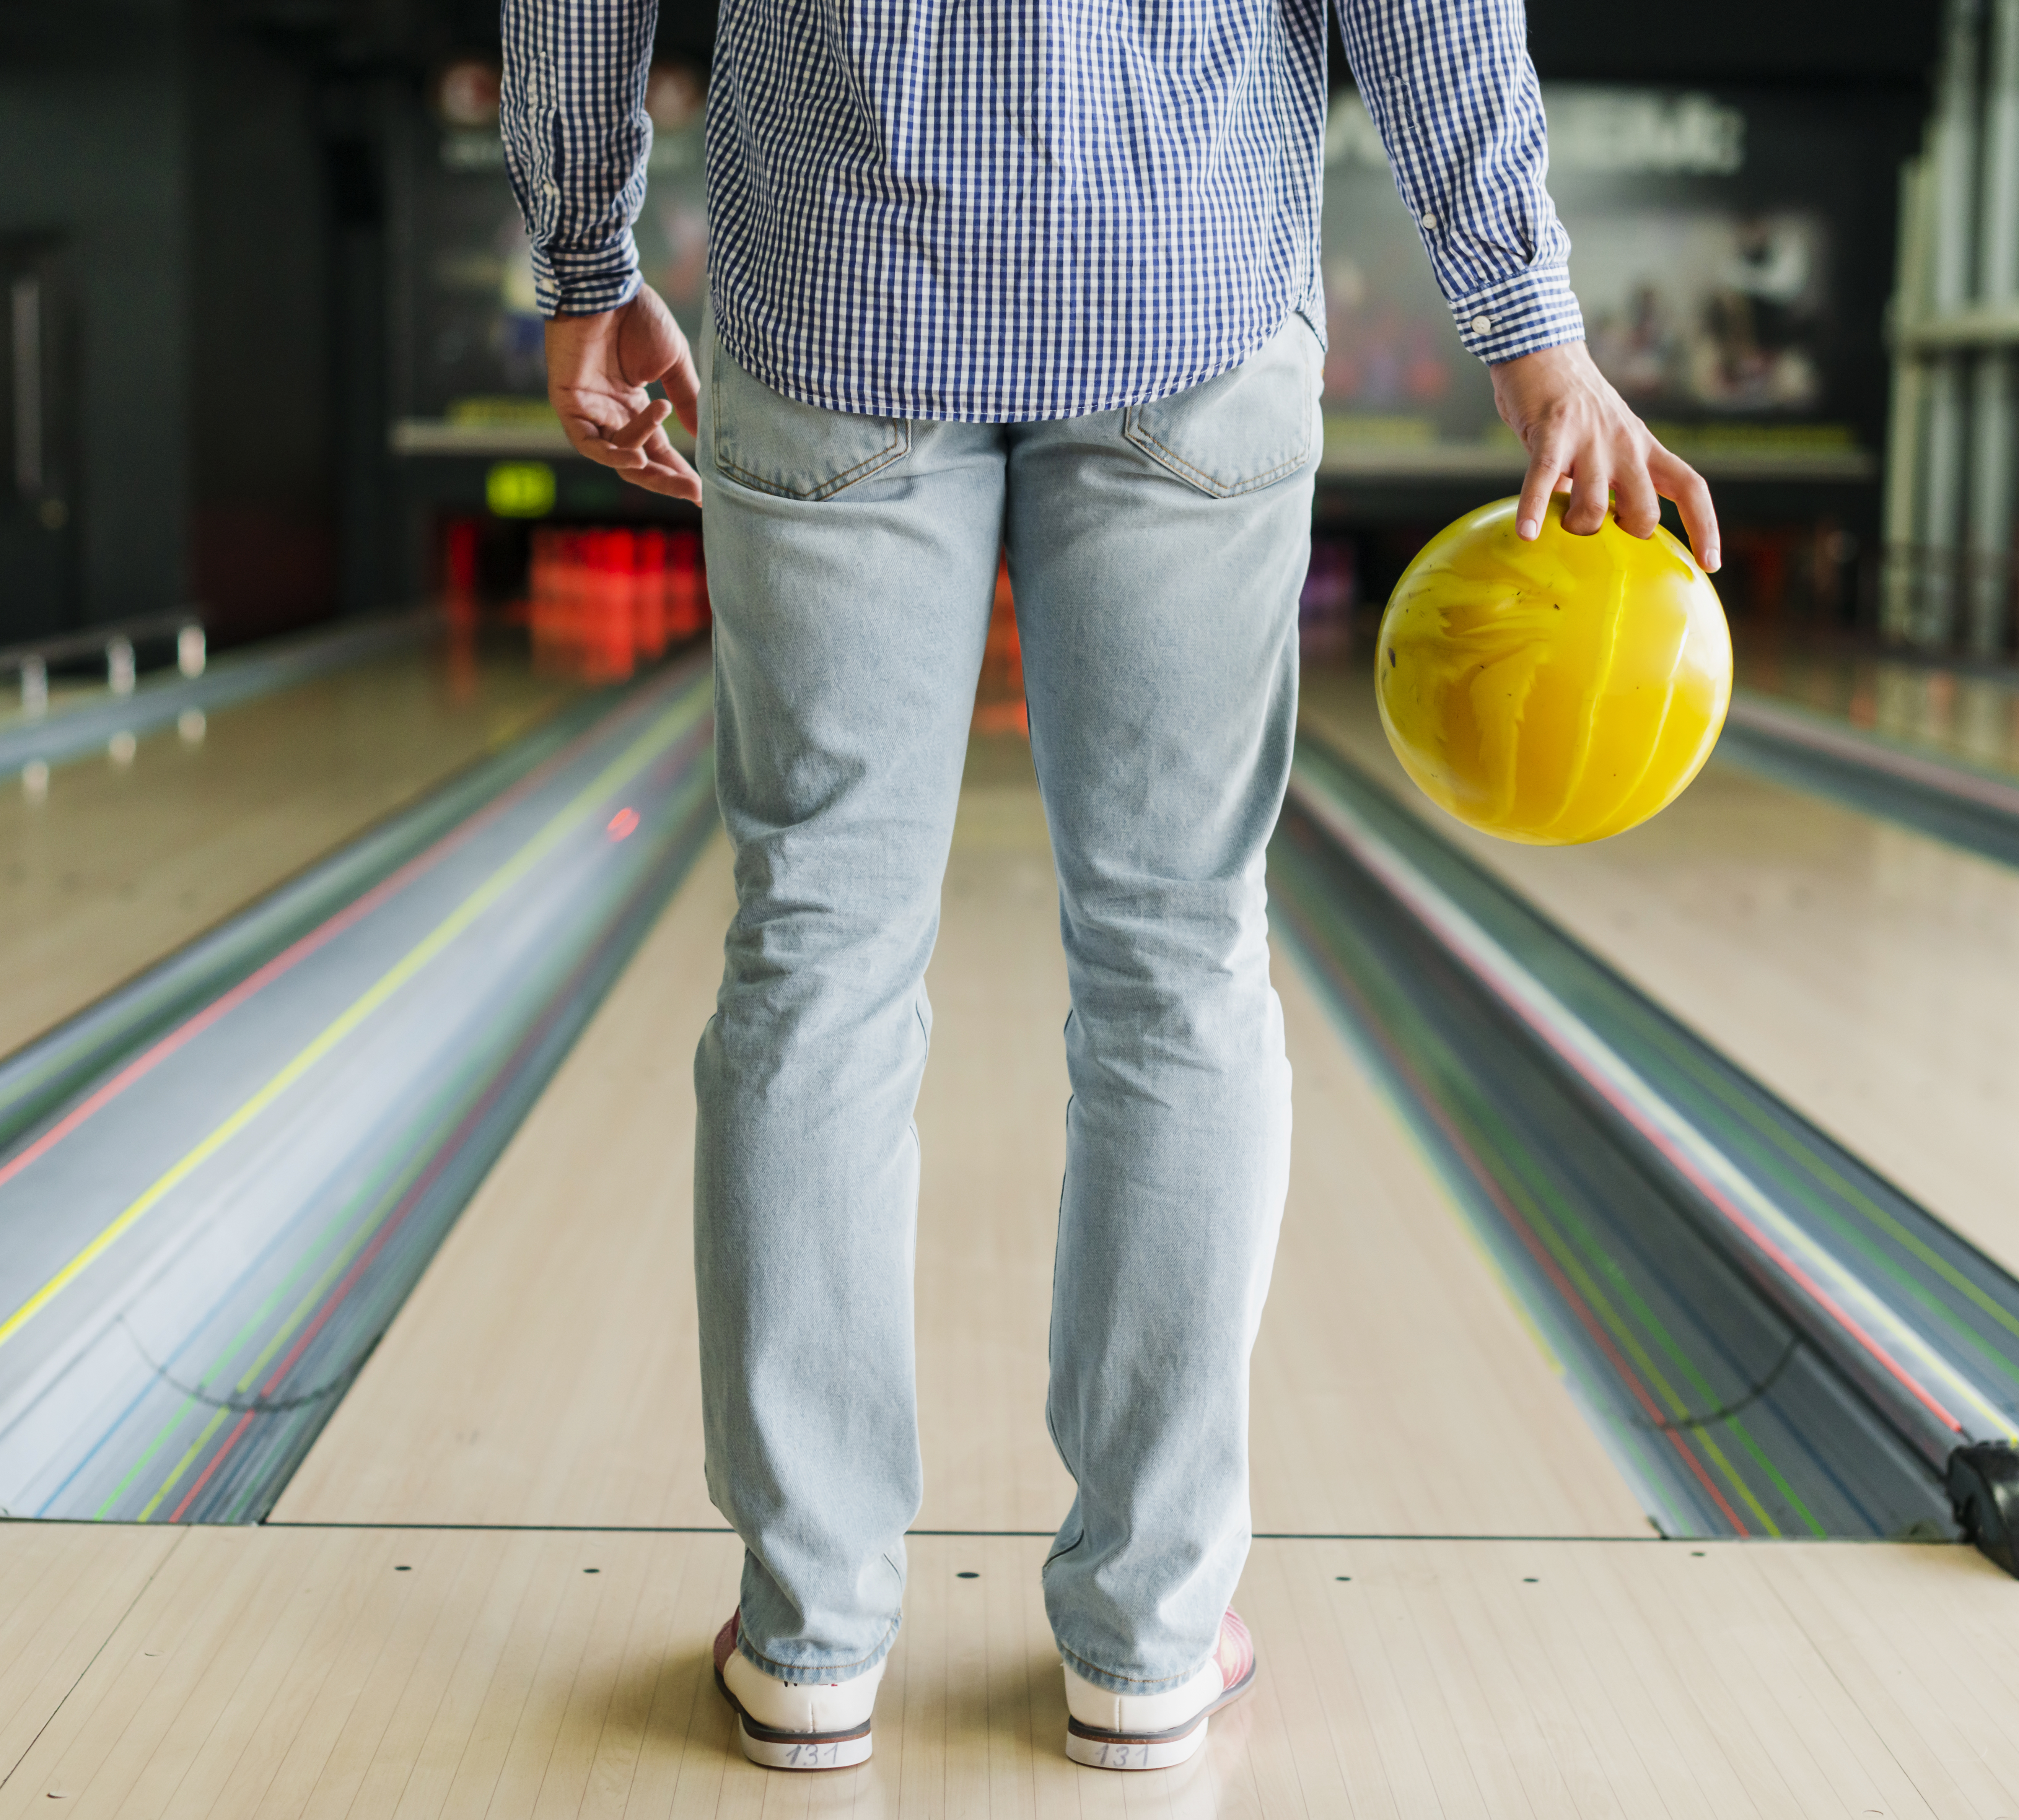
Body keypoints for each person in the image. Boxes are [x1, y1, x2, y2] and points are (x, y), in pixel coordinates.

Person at [503, 0, 1718, 1776]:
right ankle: (1149, 1637)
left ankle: (808, 1634)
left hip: (841, 292)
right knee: (1179, 961)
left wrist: (582, 252)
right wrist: (1531, 330)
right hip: (1187, 292)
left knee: (815, 955)